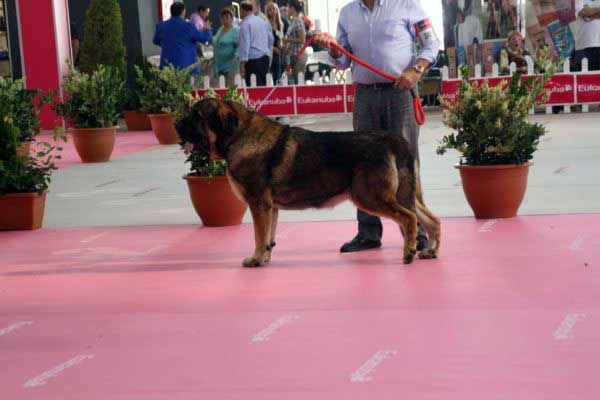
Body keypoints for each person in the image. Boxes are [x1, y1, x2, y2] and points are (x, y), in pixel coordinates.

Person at [312, 0, 440, 253]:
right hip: (365, 96)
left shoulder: (407, 6)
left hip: (400, 94)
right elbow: (343, 61)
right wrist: (334, 50)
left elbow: (432, 42)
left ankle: (415, 233)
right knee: (360, 165)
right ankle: (368, 233)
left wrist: (416, 70)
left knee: (404, 166)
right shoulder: (348, 13)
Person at [153, 2, 213, 74]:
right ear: (182, 12)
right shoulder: (189, 26)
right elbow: (204, 38)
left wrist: (169, 44)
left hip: (167, 68)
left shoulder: (161, 26)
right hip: (186, 69)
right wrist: (207, 29)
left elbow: (156, 41)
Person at [238, 1, 274, 86]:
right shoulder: (263, 22)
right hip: (264, 59)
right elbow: (271, 39)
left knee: (253, 89)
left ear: (242, 10)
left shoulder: (245, 24)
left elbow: (245, 45)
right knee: (262, 88)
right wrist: (268, 52)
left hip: (252, 62)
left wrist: (242, 64)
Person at [213, 7, 240, 86]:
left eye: (227, 17)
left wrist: (236, 54)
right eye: (223, 17)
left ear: (232, 18)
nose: (225, 19)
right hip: (219, 66)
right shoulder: (220, 29)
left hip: (231, 67)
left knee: (232, 92)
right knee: (222, 92)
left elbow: (241, 45)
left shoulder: (236, 31)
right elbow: (215, 41)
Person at [285, 0, 307, 84]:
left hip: (299, 55)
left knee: (299, 81)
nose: (287, 10)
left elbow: (302, 39)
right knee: (297, 81)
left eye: (288, 8)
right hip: (295, 55)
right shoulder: (294, 20)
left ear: (292, 8)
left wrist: (287, 40)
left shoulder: (297, 20)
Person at [575, 0, 600, 71]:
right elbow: (584, 12)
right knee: (582, 80)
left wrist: (590, 12)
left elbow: (587, 13)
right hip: (583, 47)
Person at [266, 2, 285, 82]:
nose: (272, 11)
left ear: (277, 9)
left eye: (273, 8)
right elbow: (264, 39)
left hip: (277, 53)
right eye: (269, 10)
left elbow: (280, 38)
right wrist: (272, 48)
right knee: (268, 76)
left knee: (277, 76)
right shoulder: (266, 23)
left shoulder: (280, 24)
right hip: (268, 52)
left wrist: (281, 45)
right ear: (267, 12)